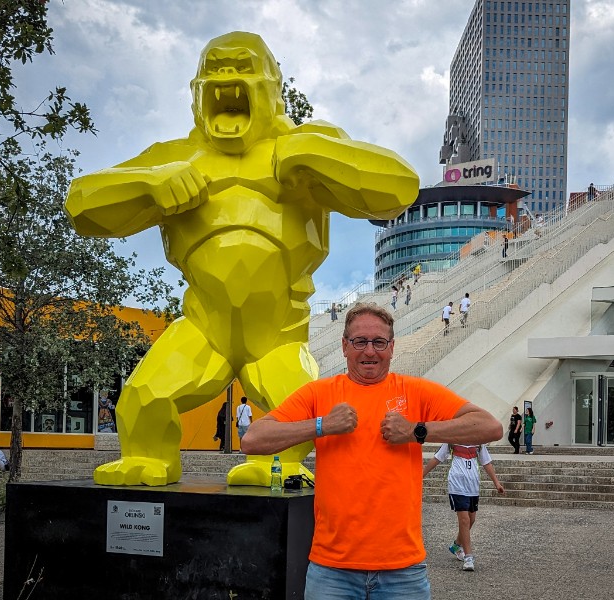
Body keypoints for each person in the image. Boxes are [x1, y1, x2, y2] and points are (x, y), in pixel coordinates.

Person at [65, 32, 419, 487]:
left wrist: (317, 156)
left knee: (294, 411)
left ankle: (282, 465)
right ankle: (151, 461)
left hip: (277, 334)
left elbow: (400, 188)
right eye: (214, 68)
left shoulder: (306, 145)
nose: (227, 77)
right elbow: (81, 204)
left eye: (241, 67)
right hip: (202, 326)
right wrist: (149, 186)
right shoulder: (173, 158)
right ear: (196, 94)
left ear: (275, 89)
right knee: (142, 398)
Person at [241, 303, 503, 599]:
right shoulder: (319, 393)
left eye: (379, 342)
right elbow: (252, 439)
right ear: (344, 346)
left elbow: (490, 426)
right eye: (360, 341)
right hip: (332, 569)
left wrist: (418, 431)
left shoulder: (415, 391)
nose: (369, 351)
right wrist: (321, 425)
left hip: (403, 570)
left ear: (392, 347)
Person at [422, 443, 505, 572]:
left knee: (471, 520)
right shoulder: (452, 438)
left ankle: (456, 546)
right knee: (464, 520)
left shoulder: (479, 440)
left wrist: (496, 483)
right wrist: (421, 475)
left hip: (473, 484)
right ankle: (468, 557)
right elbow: (437, 458)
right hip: (457, 483)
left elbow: (486, 462)